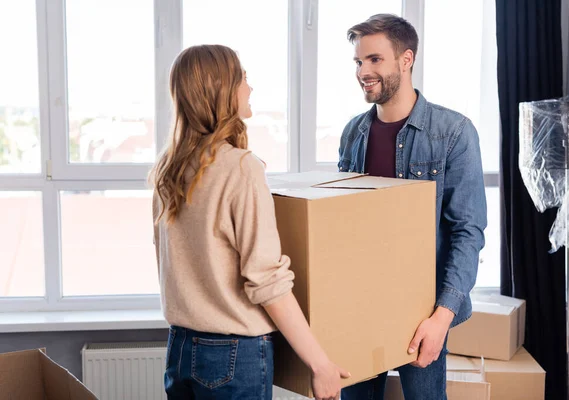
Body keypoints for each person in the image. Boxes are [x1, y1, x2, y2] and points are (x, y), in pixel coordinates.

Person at [150, 44, 349, 400]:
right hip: (231, 355)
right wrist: (321, 365)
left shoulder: (170, 169)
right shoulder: (240, 168)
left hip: (179, 349)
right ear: (221, 90)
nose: (250, 87)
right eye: (243, 77)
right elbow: (266, 280)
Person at [338, 14, 487, 400]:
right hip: (361, 308)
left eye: (374, 60)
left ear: (406, 60)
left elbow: (467, 232)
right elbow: (341, 223)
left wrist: (442, 318)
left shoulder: (453, 132)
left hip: (421, 313)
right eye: (358, 62)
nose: (363, 71)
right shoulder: (354, 132)